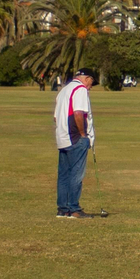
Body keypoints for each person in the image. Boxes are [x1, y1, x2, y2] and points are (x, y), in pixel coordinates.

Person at [53, 67, 98, 219]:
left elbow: (55, 118)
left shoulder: (63, 91)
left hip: (62, 137)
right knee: (76, 175)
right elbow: (78, 113)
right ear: (87, 79)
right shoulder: (80, 90)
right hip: (75, 138)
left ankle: (63, 209)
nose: (91, 87)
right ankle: (74, 209)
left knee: (64, 174)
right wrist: (83, 135)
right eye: (92, 83)